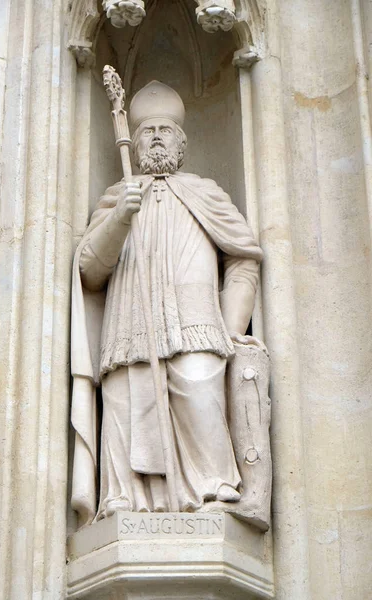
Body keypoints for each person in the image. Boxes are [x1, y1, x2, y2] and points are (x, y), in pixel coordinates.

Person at [71, 81, 263, 527]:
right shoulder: (118, 196)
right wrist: (120, 217)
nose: (156, 136)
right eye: (147, 130)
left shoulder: (205, 192)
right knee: (126, 408)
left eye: (165, 129)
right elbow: (88, 271)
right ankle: (127, 501)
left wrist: (232, 327)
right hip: (130, 327)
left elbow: (243, 258)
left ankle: (212, 488)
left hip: (196, 326)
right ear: (134, 144)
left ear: (181, 142)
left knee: (198, 391)